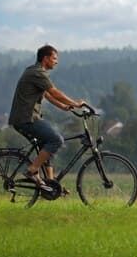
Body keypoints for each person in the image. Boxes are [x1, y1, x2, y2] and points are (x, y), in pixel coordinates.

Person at [8, 45, 85, 188]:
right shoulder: (38, 73)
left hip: (25, 118)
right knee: (56, 139)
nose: (56, 62)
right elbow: (54, 92)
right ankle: (31, 171)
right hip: (27, 119)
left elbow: (47, 95)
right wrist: (75, 103)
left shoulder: (34, 71)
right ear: (46, 59)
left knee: (47, 145)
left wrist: (63, 107)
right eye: (54, 58)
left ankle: (51, 185)